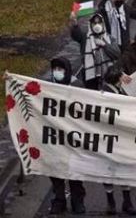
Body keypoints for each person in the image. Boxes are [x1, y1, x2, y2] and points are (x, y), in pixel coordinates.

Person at [45, 57, 87, 215]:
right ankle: (59, 199)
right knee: (55, 169)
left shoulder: (77, 85)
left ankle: (78, 200)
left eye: (60, 69)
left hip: (73, 135)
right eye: (55, 69)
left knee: (74, 169)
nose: (57, 72)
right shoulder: (48, 85)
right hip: (54, 134)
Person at [101, 65, 136, 215]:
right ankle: (111, 201)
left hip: (121, 136)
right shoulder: (105, 93)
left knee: (124, 167)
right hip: (109, 137)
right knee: (108, 169)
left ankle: (126, 201)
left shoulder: (119, 91)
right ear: (117, 79)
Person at [74, 12, 121, 90]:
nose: (97, 25)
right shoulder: (85, 38)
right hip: (91, 77)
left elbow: (117, 54)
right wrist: (75, 25)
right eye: (94, 23)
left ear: (103, 24)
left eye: (99, 22)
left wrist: (105, 45)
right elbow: (76, 35)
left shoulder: (109, 38)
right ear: (91, 25)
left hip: (107, 76)